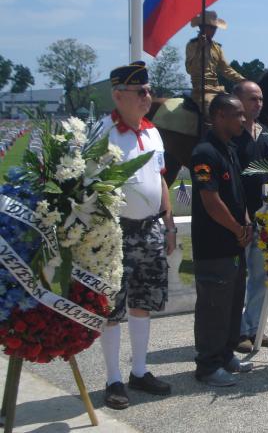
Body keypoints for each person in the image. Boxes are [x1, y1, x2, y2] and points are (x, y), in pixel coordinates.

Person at [98, 61, 176, 410]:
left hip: (149, 230)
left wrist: (169, 222)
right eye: (141, 91)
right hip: (114, 232)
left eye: (148, 90)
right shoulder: (103, 134)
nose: (148, 96)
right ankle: (114, 378)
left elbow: (160, 179)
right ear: (118, 95)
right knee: (112, 308)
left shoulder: (152, 131)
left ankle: (140, 371)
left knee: (144, 301)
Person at [190, 93, 254, 387]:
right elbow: (211, 201)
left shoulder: (228, 149)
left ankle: (226, 355)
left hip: (233, 244)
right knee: (213, 308)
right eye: (237, 114)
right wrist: (236, 229)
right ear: (218, 117)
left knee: (231, 303)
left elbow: (236, 195)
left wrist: (246, 223)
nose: (243, 119)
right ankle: (208, 365)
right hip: (215, 245)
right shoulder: (205, 153)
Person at [232, 80, 268, 353]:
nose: (258, 104)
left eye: (260, 99)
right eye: (252, 99)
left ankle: (253, 327)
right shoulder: (232, 135)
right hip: (238, 219)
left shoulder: (267, 136)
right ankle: (236, 331)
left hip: (265, 217)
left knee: (261, 276)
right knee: (238, 278)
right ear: (237, 100)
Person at [185, 11, 245, 118]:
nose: (214, 31)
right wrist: (200, 49)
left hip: (217, 89)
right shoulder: (192, 45)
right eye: (211, 28)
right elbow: (190, 69)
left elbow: (226, 69)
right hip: (201, 90)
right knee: (211, 111)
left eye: (215, 28)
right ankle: (207, 134)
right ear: (202, 27)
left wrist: (243, 80)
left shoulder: (216, 47)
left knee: (235, 106)